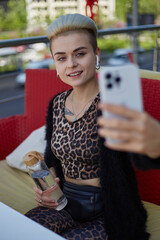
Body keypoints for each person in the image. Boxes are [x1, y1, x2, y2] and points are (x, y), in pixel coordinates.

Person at [25, 13, 160, 240]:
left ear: (96, 54)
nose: (71, 64)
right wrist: (45, 189)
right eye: (61, 57)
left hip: (110, 210)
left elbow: (142, 156)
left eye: (80, 54)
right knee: (22, 231)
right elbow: (52, 159)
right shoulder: (57, 104)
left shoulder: (114, 103)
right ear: (55, 62)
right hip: (65, 203)